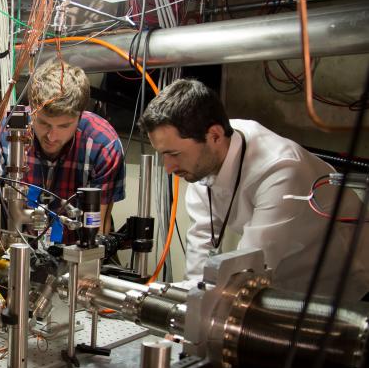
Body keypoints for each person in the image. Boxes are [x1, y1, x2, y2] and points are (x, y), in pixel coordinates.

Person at [140, 78, 369, 300]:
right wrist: (187, 305)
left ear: (215, 136)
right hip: (288, 274)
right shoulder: (205, 159)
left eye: (174, 154)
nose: (168, 168)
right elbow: (201, 241)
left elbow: (249, 267)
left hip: (346, 279)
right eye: (163, 154)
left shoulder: (280, 169)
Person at [0, 60, 125, 240]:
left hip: (76, 253)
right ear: (33, 110)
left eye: (64, 126)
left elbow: (99, 228)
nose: (52, 136)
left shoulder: (103, 145)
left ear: (80, 115)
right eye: (43, 123)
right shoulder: (7, 130)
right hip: (19, 248)